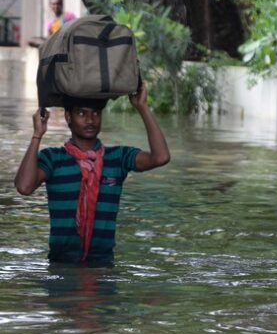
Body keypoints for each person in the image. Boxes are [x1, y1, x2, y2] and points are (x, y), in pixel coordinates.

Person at [14, 85, 170, 266]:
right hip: (61, 267)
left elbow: (161, 157)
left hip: (102, 266)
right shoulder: (54, 158)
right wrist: (37, 135)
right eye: (82, 113)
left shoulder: (117, 157)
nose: (90, 120)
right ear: (68, 117)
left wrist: (142, 107)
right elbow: (24, 187)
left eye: (96, 113)